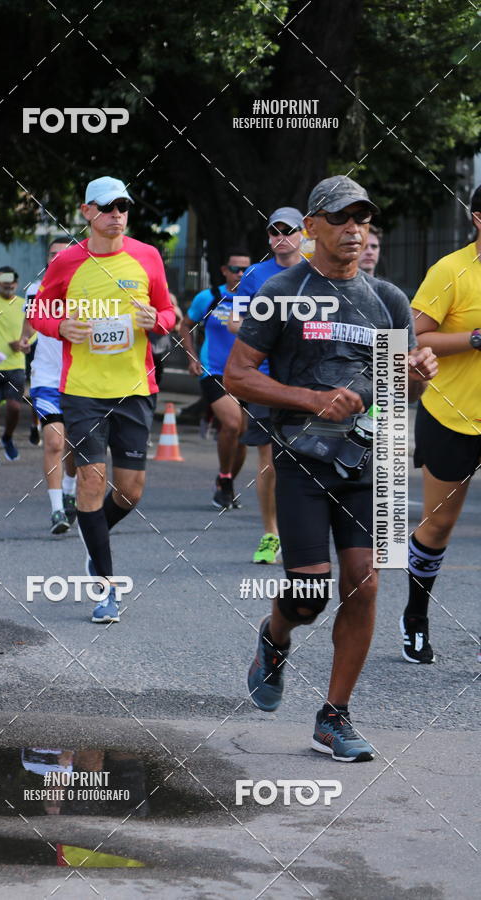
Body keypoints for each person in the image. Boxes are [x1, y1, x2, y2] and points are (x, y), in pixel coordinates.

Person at [224, 175, 437, 762]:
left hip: (371, 459)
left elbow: (397, 387)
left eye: (362, 219)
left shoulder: (389, 300)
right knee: (311, 592)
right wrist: (310, 398)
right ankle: (275, 636)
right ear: (312, 226)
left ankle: (334, 717)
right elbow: (238, 375)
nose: (354, 230)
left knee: (365, 583)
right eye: (342, 218)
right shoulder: (283, 291)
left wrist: (415, 373)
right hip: (302, 458)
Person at [29, 176, 176, 623]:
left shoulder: (148, 256)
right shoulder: (68, 262)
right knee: (92, 482)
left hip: (134, 390)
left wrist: (158, 320)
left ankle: (95, 541)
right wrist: (61, 328)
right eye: (107, 207)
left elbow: (169, 313)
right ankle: (106, 587)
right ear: (86, 211)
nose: (116, 214)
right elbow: (39, 312)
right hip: (84, 393)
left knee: (130, 492)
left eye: (123, 206)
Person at [399, 184, 481, 664]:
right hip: (450, 414)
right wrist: (473, 338)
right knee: (438, 526)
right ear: (477, 218)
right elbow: (415, 336)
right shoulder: (451, 270)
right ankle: (415, 617)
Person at [228, 207, 304, 563]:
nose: (281, 238)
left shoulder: (318, 271)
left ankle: (305, 532)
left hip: (307, 379)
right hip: (265, 379)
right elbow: (233, 322)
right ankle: (271, 534)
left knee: (309, 458)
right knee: (269, 462)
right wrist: (267, 330)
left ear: (304, 233)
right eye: (274, 232)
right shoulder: (256, 274)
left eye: (288, 231)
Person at [179, 249, 252, 509]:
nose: (240, 274)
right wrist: (192, 358)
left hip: (247, 373)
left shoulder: (256, 299)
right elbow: (185, 325)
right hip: (214, 371)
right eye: (235, 269)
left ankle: (227, 482)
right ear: (224, 270)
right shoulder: (209, 297)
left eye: (245, 269)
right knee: (232, 425)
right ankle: (224, 478)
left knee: (243, 435)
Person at [22, 237, 78, 535]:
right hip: (46, 378)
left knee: (76, 446)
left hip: (80, 377)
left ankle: (70, 488)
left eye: (63, 254)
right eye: (52, 254)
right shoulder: (36, 290)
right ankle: (57, 509)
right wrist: (23, 340)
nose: (57, 258)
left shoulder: (86, 289)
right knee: (55, 441)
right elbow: (30, 323)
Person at [0, 266, 28, 465]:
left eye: (11, 281)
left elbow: (33, 327)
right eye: (3, 280)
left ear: (16, 284)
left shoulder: (23, 304)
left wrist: (23, 341)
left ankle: (8, 438)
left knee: (14, 407)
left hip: (15, 364)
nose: (8, 284)